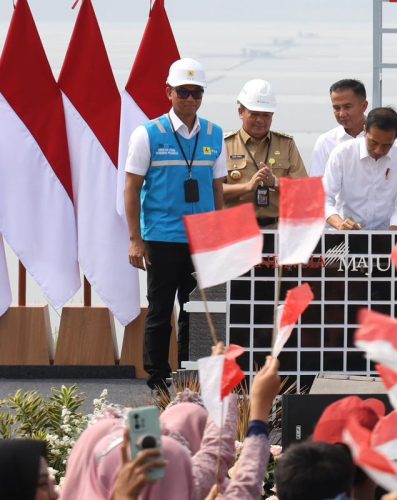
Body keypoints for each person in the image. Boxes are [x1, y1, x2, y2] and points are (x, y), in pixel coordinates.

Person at [124, 58, 227, 392]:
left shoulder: (214, 133)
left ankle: (189, 375)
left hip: (201, 239)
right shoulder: (148, 134)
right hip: (162, 236)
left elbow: (217, 189)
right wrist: (135, 240)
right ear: (168, 92)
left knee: (195, 311)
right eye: (184, 92)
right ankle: (157, 377)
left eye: (197, 93)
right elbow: (131, 188)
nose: (191, 100)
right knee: (159, 311)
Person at [223, 79, 308, 228]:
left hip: (276, 231)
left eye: (266, 115)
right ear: (241, 112)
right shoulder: (224, 145)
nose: (260, 120)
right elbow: (213, 190)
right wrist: (247, 187)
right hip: (236, 230)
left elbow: (303, 190)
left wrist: (275, 183)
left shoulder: (286, 144)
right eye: (254, 114)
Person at [324, 107, 397, 231]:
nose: (378, 150)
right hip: (346, 235)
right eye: (373, 142)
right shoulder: (342, 153)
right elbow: (324, 198)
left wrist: (392, 235)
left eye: (386, 145)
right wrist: (340, 224)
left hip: (386, 234)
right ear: (364, 131)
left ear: (395, 139)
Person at [310, 79, 368, 177]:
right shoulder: (325, 142)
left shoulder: (381, 137)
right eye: (336, 108)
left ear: (364, 106)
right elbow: (317, 183)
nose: (342, 114)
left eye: (347, 107)